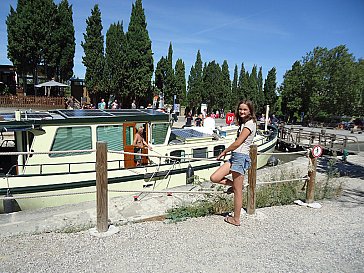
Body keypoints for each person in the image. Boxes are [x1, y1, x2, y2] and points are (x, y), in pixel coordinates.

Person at [210, 99, 257, 226]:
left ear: (250, 111)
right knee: (214, 177)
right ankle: (237, 185)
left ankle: (236, 219)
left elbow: (238, 142)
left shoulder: (250, 124)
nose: (242, 111)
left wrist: (224, 151)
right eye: (240, 109)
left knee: (237, 192)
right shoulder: (244, 123)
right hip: (235, 157)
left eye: (245, 109)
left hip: (240, 157)